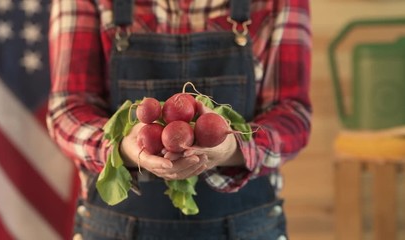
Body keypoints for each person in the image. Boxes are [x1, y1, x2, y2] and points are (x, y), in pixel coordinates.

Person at [47, 0, 312, 239]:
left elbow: (292, 114)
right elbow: (68, 110)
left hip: (248, 227)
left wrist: (235, 147)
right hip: (115, 228)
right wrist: (124, 147)